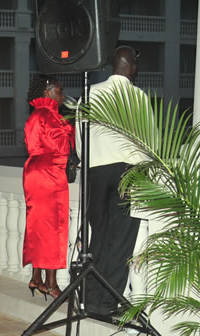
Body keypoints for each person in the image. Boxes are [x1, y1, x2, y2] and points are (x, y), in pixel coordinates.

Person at [77, 45, 146, 315]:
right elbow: (146, 141)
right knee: (120, 242)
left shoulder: (90, 93)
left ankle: (90, 299)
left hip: (95, 172)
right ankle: (106, 304)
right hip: (125, 173)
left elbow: (80, 139)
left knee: (99, 238)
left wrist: (89, 163)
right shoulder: (137, 97)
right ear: (132, 67)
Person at [22, 76, 74, 300]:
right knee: (54, 227)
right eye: (59, 91)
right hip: (49, 173)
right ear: (48, 91)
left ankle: (37, 278)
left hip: (35, 172)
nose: (62, 96)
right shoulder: (49, 115)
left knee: (38, 225)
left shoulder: (36, 115)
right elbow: (60, 146)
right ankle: (51, 284)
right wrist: (69, 130)